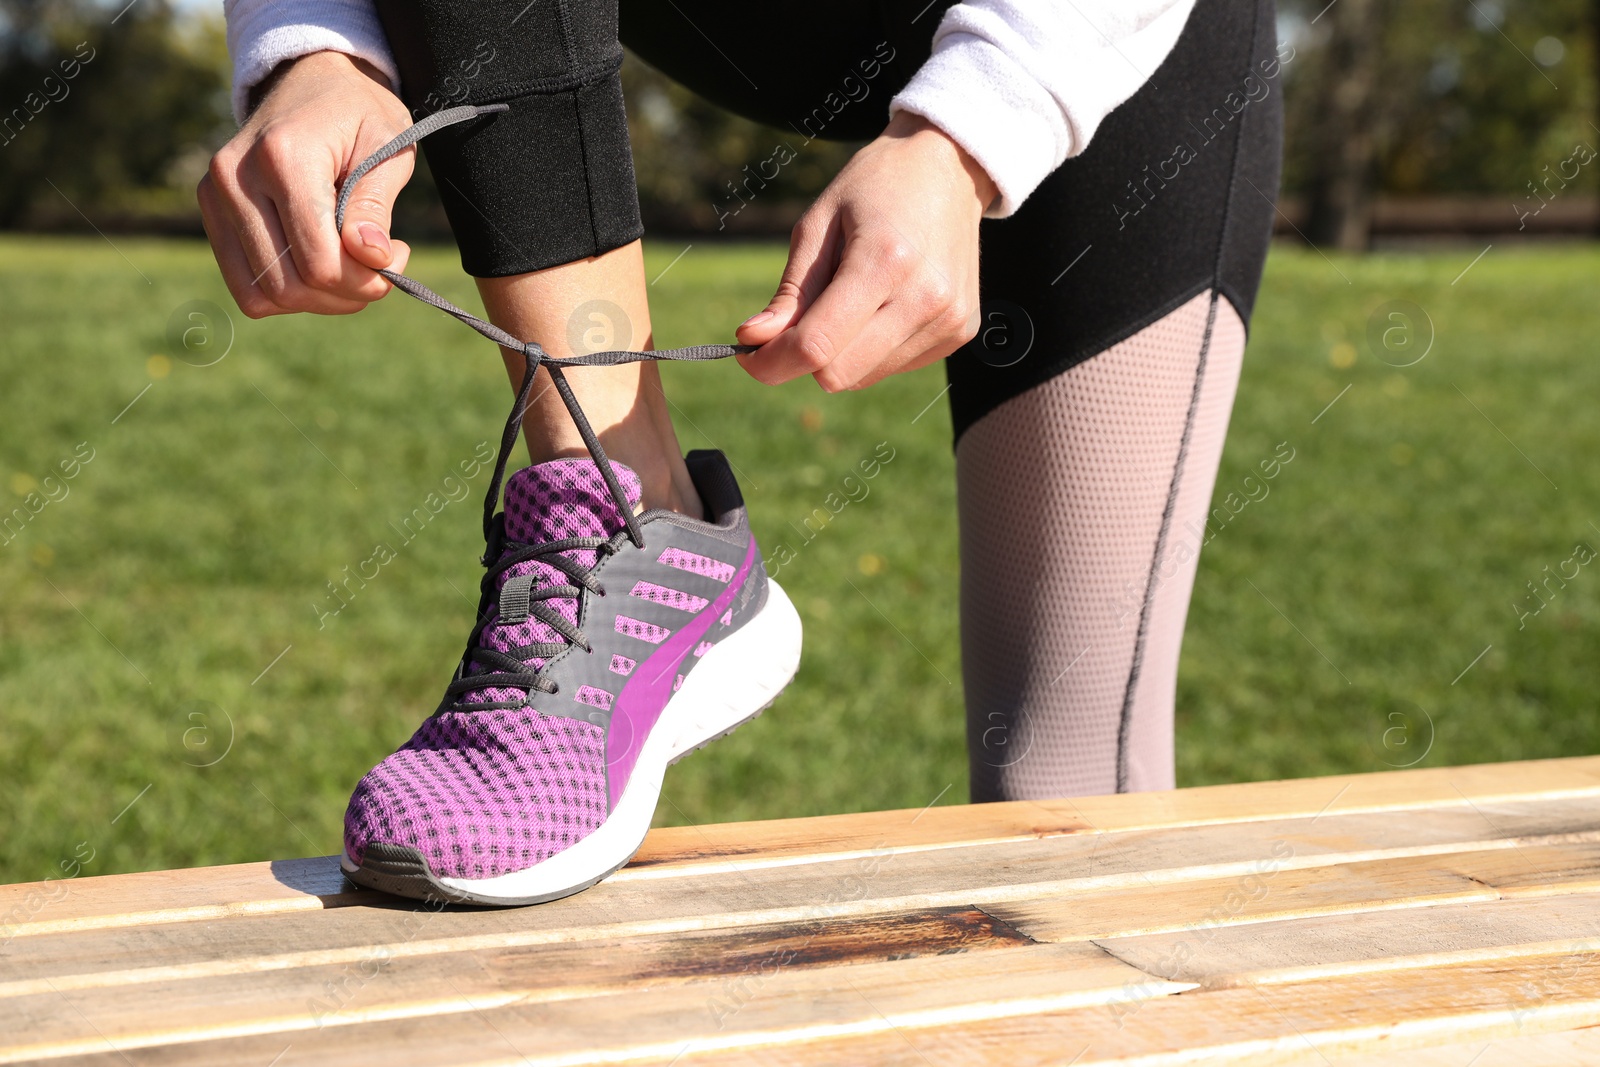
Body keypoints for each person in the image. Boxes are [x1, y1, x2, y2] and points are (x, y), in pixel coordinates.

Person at [202, 0, 1282, 904]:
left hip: (1105, 43)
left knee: (1065, 791)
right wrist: (315, 43)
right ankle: (633, 510)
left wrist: (968, 137)